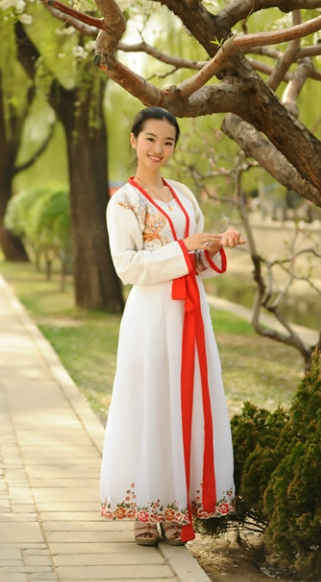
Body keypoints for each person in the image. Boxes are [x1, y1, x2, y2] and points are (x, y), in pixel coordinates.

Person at [100, 107, 246, 547]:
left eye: (167, 142)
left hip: (189, 313)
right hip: (150, 315)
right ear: (133, 140)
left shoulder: (183, 195)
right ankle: (146, 508)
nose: (158, 150)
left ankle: (174, 507)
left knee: (184, 405)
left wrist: (218, 244)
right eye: (150, 140)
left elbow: (194, 261)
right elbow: (127, 267)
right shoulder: (123, 202)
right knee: (150, 404)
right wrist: (183, 249)